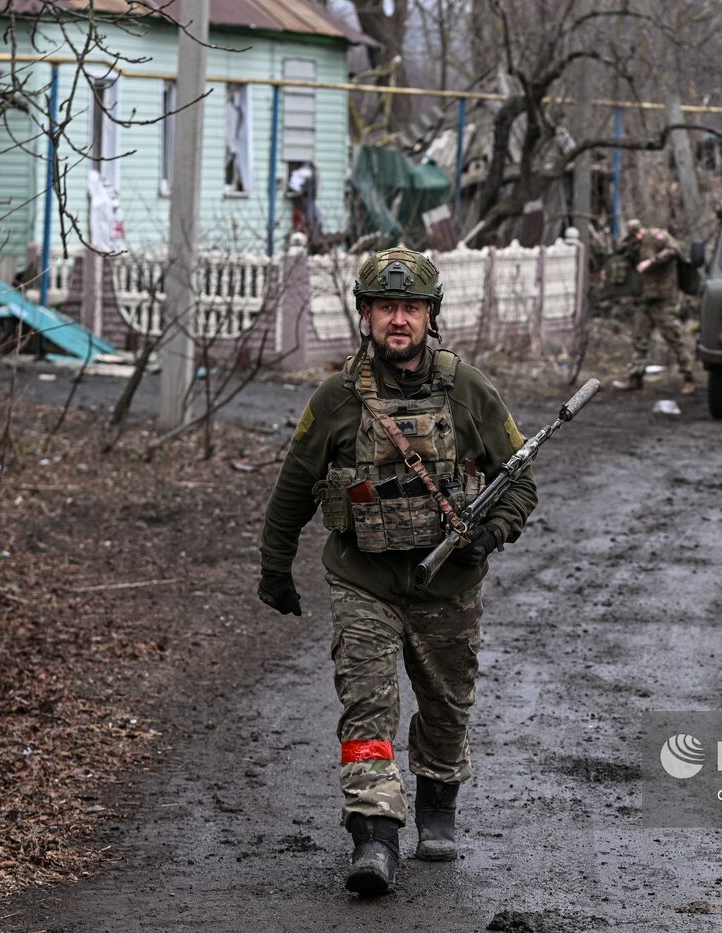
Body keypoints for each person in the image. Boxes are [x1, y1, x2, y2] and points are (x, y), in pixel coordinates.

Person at [256, 247, 537, 896]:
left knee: (446, 706)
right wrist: (275, 568)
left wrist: (489, 534)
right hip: (365, 584)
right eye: (386, 307)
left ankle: (438, 804)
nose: (399, 320)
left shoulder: (468, 391)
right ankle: (374, 837)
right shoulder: (336, 399)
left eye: (411, 307)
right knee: (367, 708)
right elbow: (293, 489)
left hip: (449, 590)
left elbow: (520, 481)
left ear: (431, 316)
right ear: (366, 316)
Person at [611, 218, 696, 394]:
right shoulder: (635, 243)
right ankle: (635, 377)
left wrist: (652, 261)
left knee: (674, 336)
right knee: (639, 338)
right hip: (645, 298)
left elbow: (674, 250)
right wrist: (629, 241)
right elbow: (620, 250)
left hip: (663, 297)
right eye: (635, 235)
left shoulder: (659, 237)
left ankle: (689, 377)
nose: (639, 237)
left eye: (639, 233)